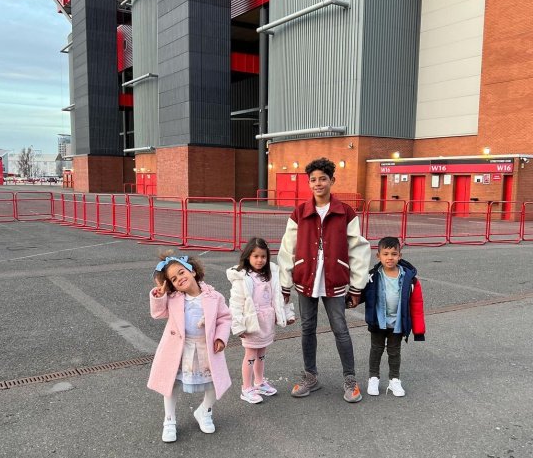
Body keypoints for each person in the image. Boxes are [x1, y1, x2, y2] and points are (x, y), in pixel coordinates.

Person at [277, 157, 371, 403]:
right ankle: (311, 376)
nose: (318, 183)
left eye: (323, 179)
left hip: (335, 280)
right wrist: (284, 283)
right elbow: (288, 248)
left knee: (340, 329)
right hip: (306, 279)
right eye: (313, 180)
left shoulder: (345, 212)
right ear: (309, 183)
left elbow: (358, 249)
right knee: (307, 328)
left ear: (332, 181)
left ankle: (350, 380)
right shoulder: (300, 212)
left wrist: (357, 286)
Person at [148, 251, 232, 443]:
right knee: (171, 384)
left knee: (213, 383)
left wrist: (221, 338)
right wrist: (158, 295)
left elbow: (225, 318)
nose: (179, 279)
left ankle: (205, 411)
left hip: (206, 349)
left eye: (181, 272)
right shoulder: (174, 298)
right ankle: (169, 419)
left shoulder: (214, 296)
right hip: (179, 350)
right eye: (174, 278)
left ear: (193, 271)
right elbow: (158, 313)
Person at [227, 237, 296, 404]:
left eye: (263, 256)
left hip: (266, 321)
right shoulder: (242, 278)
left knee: (261, 353)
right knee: (250, 354)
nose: (259, 260)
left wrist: (287, 314)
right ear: (248, 256)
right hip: (251, 322)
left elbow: (279, 297)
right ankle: (246, 387)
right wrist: (238, 325)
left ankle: (259, 382)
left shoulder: (270, 275)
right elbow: (235, 303)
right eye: (255, 256)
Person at [363, 236, 426, 397]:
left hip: (398, 323)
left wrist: (418, 330)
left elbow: (417, 305)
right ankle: (373, 378)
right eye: (385, 254)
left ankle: (394, 380)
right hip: (378, 321)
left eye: (393, 253)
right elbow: (361, 294)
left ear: (400, 255)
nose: (389, 257)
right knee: (376, 350)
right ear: (378, 256)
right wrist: (347, 301)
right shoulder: (372, 276)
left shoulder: (409, 279)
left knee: (394, 352)